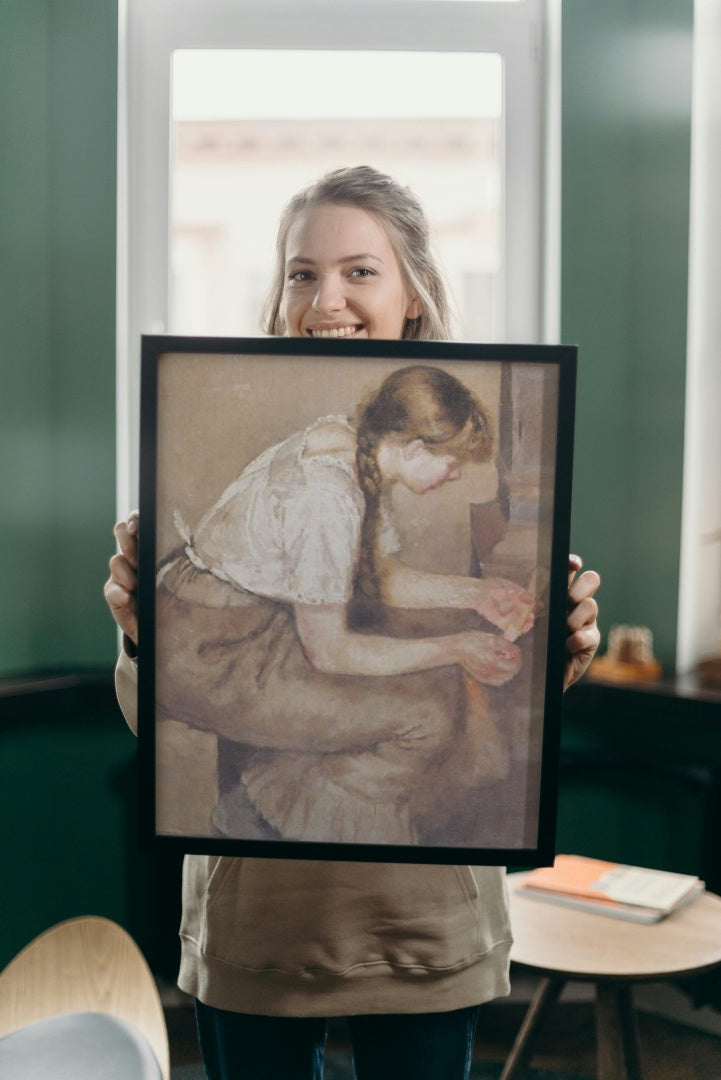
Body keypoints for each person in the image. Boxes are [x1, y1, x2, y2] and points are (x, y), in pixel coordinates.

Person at [105, 166, 601, 1080]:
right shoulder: (326, 483)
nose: (324, 298)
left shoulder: (356, 442)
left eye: (359, 272)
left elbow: (377, 582)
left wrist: (515, 627)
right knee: (426, 706)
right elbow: (320, 644)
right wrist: (141, 639)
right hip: (263, 914)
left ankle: (317, 807)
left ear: (413, 291)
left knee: (434, 693)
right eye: (301, 272)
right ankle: (279, 809)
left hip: (419, 931)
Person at [154, 363, 534, 848]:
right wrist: (459, 646)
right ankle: (273, 818)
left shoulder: (355, 447)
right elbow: (330, 653)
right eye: (454, 462)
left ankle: (294, 808)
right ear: (416, 449)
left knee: (432, 680)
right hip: (210, 653)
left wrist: (478, 594)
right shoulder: (329, 497)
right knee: (426, 717)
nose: (456, 475)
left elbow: (380, 578)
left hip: (246, 625)